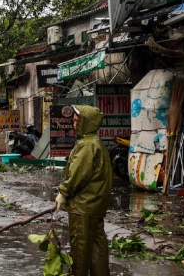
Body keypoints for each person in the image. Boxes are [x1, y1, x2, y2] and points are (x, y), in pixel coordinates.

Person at [55, 105, 112, 276]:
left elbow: (78, 174)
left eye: (76, 121)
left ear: (86, 123)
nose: (73, 124)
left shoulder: (87, 145)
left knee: (80, 253)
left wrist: (63, 193)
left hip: (83, 207)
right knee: (98, 251)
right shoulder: (97, 143)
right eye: (73, 120)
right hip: (96, 207)